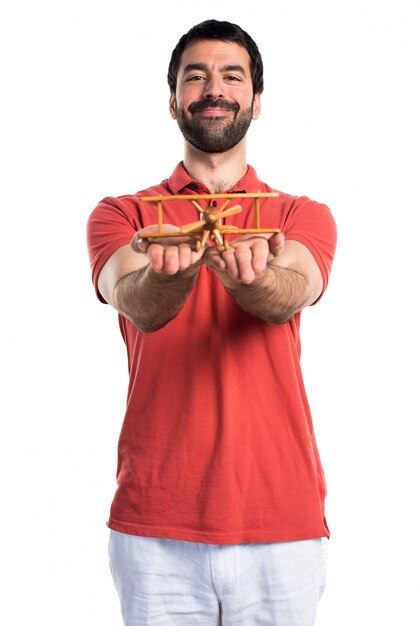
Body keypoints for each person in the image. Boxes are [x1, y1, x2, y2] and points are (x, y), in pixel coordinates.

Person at [87, 18, 337, 626]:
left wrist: (242, 276)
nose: (214, 89)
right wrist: (168, 275)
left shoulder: (301, 214)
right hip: (155, 525)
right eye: (194, 77)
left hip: (282, 521)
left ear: (255, 99)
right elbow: (135, 302)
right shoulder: (122, 213)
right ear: (173, 100)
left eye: (232, 76)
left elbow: (289, 294)